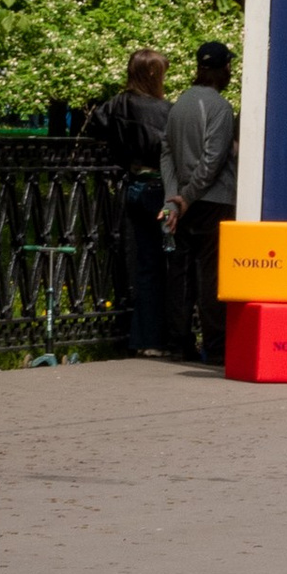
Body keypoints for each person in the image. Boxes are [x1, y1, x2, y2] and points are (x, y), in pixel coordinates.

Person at [81, 46, 172, 355]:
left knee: (145, 264)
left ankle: (143, 339)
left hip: (131, 186)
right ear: (153, 75)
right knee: (165, 264)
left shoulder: (117, 104)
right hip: (158, 190)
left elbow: (94, 126)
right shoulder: (164, 111)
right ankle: (161, 337)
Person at [160, 41, 239, 363]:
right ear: (221, 69)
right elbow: (213, 159)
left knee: (181, 275)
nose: (231, 72)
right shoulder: (220, 107)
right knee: (211, 277)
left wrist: (173, 198)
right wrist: (188, 197)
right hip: (213, 201)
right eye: (229, 67)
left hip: (183, 204)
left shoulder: (180, 103)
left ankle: (180, 343)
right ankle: (216, 347)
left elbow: (165, 151)